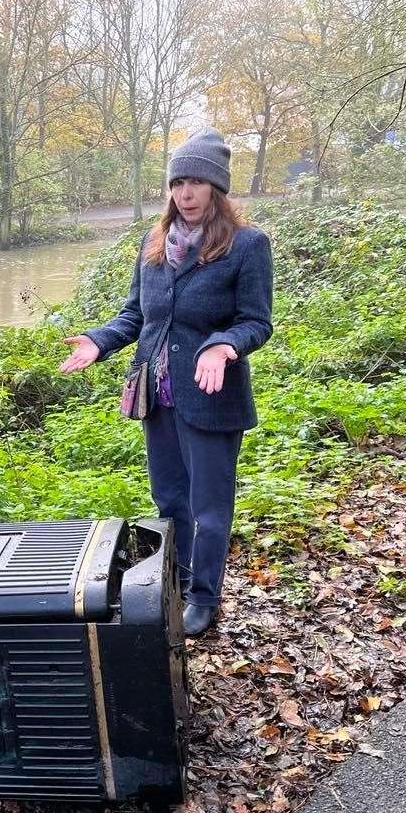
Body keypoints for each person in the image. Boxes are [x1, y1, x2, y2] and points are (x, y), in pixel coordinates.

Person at [58, 126, 273, 636]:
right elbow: (136, 315)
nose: (186, 193)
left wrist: (224, 344)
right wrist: (100, 341)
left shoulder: (247, 246)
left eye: (197, 182)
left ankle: (205, 596)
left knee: (210, 509)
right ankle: (176, 581)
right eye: (178, 182)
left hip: (212, 398)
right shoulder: (154, 243)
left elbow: (256, 321)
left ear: (216, 189)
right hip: (158, 397)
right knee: (169, 501)